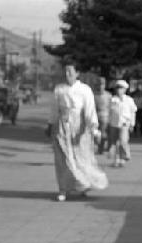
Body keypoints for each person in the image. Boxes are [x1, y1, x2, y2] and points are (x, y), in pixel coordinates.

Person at [47, 62, 108, 202]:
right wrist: (50, 125)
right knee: (62, 159)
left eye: (70, 71)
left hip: (79, 127)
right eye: (66, 71)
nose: (67, 74)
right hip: (62, 128)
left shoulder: (85, 90)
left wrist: (93, 128)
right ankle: (63, 188)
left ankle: (83, 184)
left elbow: (90, 111)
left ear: (77, 73)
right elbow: (54, 109)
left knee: (81, 158)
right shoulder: (59, 89)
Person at [107, 80, 137, 167]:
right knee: (114, 142)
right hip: (114, 123)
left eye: (121, 88)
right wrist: (108, 123)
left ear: (125, 89)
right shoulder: (112, 100)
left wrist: (132, 124)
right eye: (118, 88)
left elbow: (133, 112)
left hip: (124, 123)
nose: (119, 90)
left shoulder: (129, 100)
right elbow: (109, 112)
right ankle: (116, 159)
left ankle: (124, 156)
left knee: (123, 140)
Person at [93, 76, 111, 154]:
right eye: (99, 85)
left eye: (102, 85)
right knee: (95, 133)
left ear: (104, 85)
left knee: (103, 132)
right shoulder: (94, 95)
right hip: (95, 116)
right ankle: (98, 146)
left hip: (105, 116)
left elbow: (111, 107)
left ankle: (101, 148)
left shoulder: (108, 95)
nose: (100, 86)